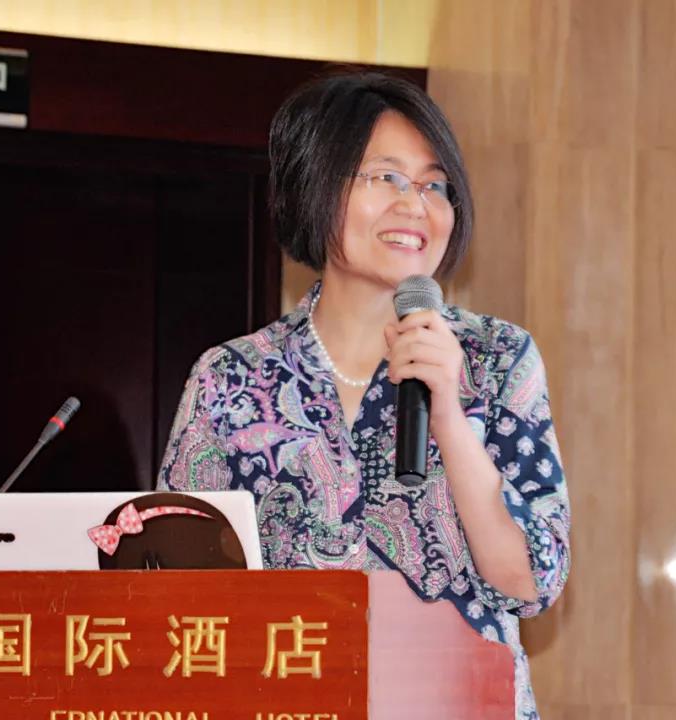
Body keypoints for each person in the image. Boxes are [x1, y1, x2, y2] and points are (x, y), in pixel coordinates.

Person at [157, 71, 570, 719]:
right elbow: (174, 598)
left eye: (435, 185)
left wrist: (449, 416)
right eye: (386, 178)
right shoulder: (231, 378)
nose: (416, 206)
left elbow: (532, 584)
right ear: (316, 185)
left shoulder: (496, 358)